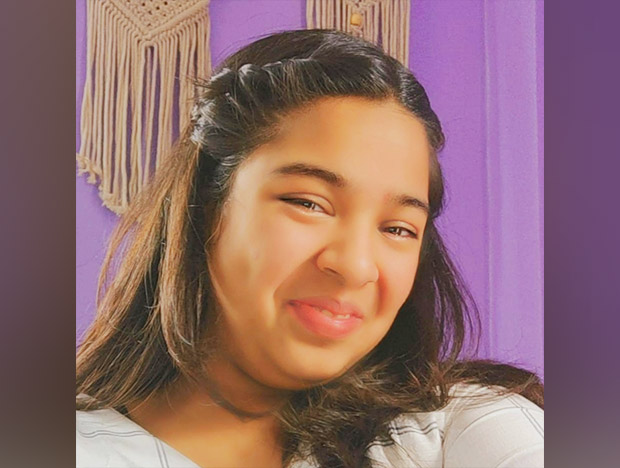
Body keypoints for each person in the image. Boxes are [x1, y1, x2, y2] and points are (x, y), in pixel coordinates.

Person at [76, 29, 543, 468]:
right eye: (308, 203)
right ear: (205, 207)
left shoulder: (463, 427)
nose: (355, 266)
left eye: (399, 229)